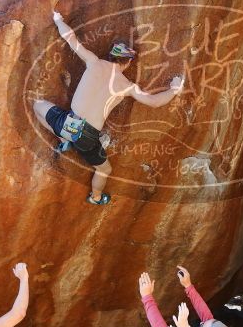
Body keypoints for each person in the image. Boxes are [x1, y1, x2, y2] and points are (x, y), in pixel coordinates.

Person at [33, 10, 185, 206]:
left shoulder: (93, 62)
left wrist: (57, 19)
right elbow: (153, 102)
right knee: (104, 170)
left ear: (111, 55)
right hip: (87, 136)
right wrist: (174, 89)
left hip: (68, 122)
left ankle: (63, 139)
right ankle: (96, 197)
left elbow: (71, 39)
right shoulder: (127, 86)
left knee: (38, 105)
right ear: (128, 62)